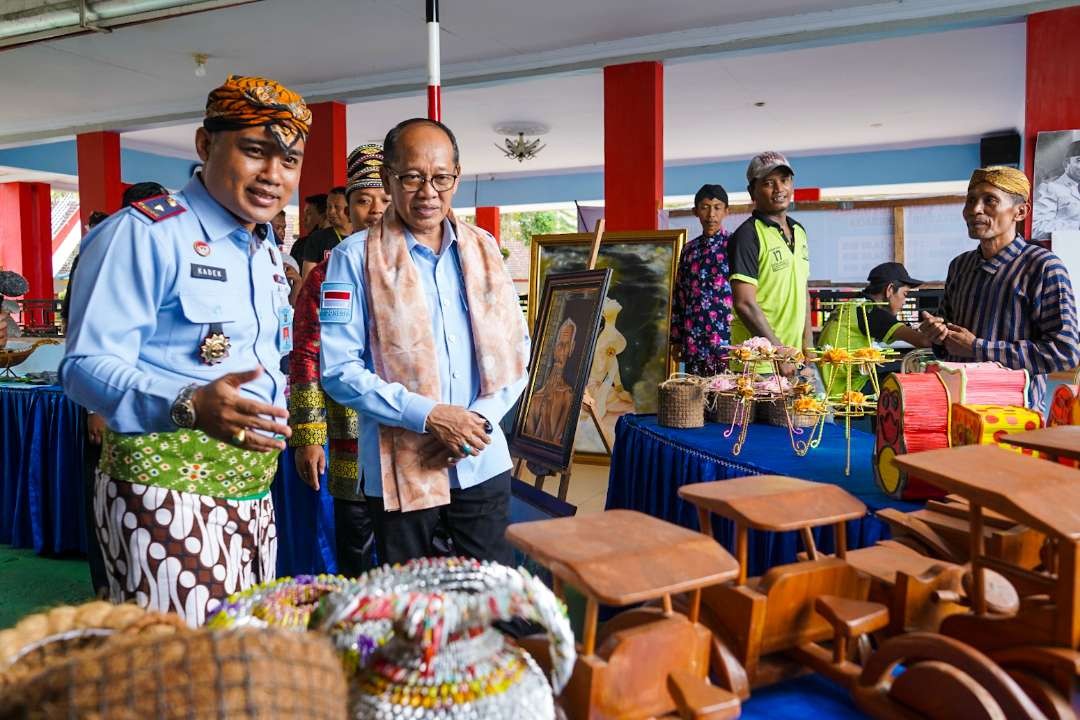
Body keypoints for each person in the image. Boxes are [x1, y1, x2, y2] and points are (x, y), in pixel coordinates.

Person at [60, 75, 308, 625]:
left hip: (252, 489)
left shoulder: (263, 246)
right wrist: (190, 400)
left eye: (289, 161)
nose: (273, 175)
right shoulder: (144, 234)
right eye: (254, 152)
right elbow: (82, 368)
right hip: (162, 489)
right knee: (182, 676)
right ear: (205, 145)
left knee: (234, 658)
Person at [320, 118, 529, 566]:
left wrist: (476, 425)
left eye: (441, 178)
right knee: (414, 608)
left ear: (456, 176)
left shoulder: (485, 249)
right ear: (389, 179)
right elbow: (338, 371)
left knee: (497, 597)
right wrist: (430, 417)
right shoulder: (353, 257)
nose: (428, 192)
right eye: (412, 177)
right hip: (402, 468)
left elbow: (518, 352)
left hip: (481, 460)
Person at [289, 142, 389, 576]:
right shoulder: (329, 275)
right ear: (346, 208)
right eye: (363, 200)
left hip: (410, 430)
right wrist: (308, 434)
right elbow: (308, 353)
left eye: (385, 198)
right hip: (349, 429)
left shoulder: (423, 267)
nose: (375, 210)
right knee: (356, 546)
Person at [919, 166, 1079, 407]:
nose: (975, 210)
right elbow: (949, 337)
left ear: (1021, 212)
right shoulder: (960, 266)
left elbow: (1064, 351)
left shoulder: (1043, 267)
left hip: (1014, 420)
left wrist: (978, 348)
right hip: (956, 411)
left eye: (990, 200)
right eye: (970, 200)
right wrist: (938, 334)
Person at [729, 151, 813, 373]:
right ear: (752, 191)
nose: (779, 189)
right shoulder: (747, 235)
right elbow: (744, 303)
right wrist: (777, 351)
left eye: (784, 181)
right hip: (757, 365)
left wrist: (808, 345)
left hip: (791, 360)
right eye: (768, 183)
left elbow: (802, 289)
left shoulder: (799, 231)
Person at [818, 262, 931, 393]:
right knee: (909, 373)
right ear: (890, 289)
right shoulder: (870, 311)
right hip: (845, 389)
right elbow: (924, 341)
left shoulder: (854, 305)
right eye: (905, 294)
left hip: (826, 383)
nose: (904, 301)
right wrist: (937, 329)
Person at [670, 183, 734, 376]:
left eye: (717, 207)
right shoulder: (689, 250)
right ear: (695, 211)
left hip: (726, 341)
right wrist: (676, 338)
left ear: (726, 211)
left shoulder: (735, 245)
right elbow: (680, 294)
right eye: (705, 207)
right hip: (694, 340)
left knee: (725, 398)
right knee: (694, 401)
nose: (711, 215)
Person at [523, 317, 577, 443]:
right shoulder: (535, 396)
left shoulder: (567, 396)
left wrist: (546, 417)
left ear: (572, 348)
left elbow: (556, 442)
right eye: (559, 344)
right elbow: (528, 435)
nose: (560, 350)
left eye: (566, 345)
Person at [1033, 140, 1080, 240]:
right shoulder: (1050, 188)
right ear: (1066, 163)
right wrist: (1077, 227)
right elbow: (1036, 229)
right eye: (1079, 160)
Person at [302, 186, 352, 277]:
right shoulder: (317, 238)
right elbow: (307, 279)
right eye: (329, 207)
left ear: (349, 209)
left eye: (337, 207)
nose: (331, 211)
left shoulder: (362, 237)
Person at [290, 193, 327, 267]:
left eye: (309, 214)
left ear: (323, 216)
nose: (304, 219)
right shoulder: (300, 245)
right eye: (304, 214)